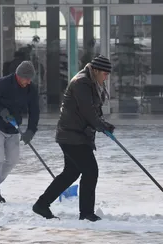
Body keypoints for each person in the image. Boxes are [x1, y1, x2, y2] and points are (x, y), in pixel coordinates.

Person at [32, 55, 115, 222]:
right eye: (105, 73)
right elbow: (87, 111)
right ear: (96, 70)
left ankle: (42, 204)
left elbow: (93, 111)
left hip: (75, 134)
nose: (106, 77)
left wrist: (102, 124)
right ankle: (86, 213)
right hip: (72, 135)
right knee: (91, 171)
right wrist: (100, 125)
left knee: (71, 173)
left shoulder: (91, 82)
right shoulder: (82, 83)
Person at [0, 61, 40, 203]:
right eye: (26, 78)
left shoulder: (31, 89)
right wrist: (1, 111)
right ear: (18, 75)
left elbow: (34, 110)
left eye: (30, 78)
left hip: (13, 127)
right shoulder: (4, 83)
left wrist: (31, 130)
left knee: (13, 160)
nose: (28, 81)